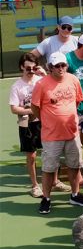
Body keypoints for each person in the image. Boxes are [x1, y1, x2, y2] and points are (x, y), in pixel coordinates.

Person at [31, 52, 83, 214]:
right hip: (51, 136)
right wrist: (47, 120)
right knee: (49, 168)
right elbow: (35, 107)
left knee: (74, 165)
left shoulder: (73, 80)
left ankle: (75, 194)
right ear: (50, 67)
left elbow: (77, 100)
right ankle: (46, 198)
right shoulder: (42, 84)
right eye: (57, 66)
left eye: (63, 65)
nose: (61, 68)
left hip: (72, 133)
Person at [10, 53, 44, 197]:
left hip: (44, 122)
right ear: (21, 68)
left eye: (33, 68)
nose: (31, 71)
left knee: (50, 153)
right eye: (28, 68)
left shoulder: (42, 80)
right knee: (31, 156)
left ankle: (54, 181)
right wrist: (32, 110)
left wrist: (44, 74)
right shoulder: (16, 86)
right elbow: (14, 108)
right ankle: (35, 185)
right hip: (27, 124)